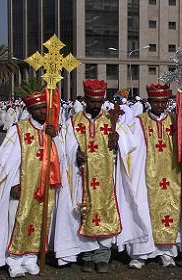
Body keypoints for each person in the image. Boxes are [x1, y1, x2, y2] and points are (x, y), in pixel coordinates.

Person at [0, 85, 66, 277]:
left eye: (44, 107)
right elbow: (8, 161)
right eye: (37, 109)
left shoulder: (53, 129)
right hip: (23, 185)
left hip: (46, 185)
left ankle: (31, 257)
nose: (42, 111)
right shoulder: (18, 129)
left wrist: (55, 137)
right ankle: (14, 259)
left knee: (43, 220)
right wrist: (14, 183)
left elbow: (62, 157)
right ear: (30, 110)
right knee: (18, 219)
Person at [63, 79, 148, 273]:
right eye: (92, 101)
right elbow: (65, 143)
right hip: (81, 175)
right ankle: (86, 256)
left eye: (98, 101)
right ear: (85, 99)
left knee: (106, 211)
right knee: (83, 212)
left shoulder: (112, 120)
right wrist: (74, 150)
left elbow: (132, 143)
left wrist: (119, 141)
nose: (95, 104)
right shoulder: (74, 121)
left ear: (103, 99)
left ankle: (103, 256)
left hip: (108, 178)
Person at [126, 84, 181, 269]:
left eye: (163, 101)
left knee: (169, 211)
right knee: (142, 210)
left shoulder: (175, 121)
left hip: (171, 176)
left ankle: (166, 252)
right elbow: (127, 145)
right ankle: (140, 253)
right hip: (144, 175)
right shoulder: (138, 121)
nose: (160, 105)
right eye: (156, 102)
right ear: (149, 102)